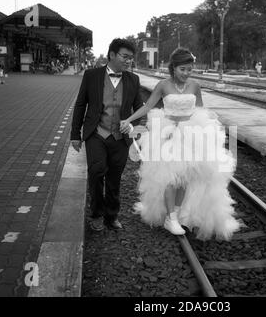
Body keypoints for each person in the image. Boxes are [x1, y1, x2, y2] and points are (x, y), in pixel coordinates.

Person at [120, 48, 241, 240]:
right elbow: (148, 106)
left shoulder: (195, 85)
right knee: (170, 178)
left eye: (189, 69)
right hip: (168, 133)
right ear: (173, 68)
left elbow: (201, 109)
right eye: (182, 69)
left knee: (185, 177)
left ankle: (176, 214)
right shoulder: (163, 85)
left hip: (191, 133)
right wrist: (128, 119)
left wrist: (209, 130)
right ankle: (170, 218)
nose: (186, 73)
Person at [71, 38, 144, 231]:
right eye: (125, 57)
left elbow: (139, 109)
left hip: (120, 138)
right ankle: (96, 214)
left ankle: (111, 216)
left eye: (131, 58)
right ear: (112, 55)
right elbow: (80, 104)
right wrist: (75, 134)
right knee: (96, 172)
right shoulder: (91, 75)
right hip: (96, 133)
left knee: (114, 178)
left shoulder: (133, 80)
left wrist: (132, 125)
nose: (129, 61)